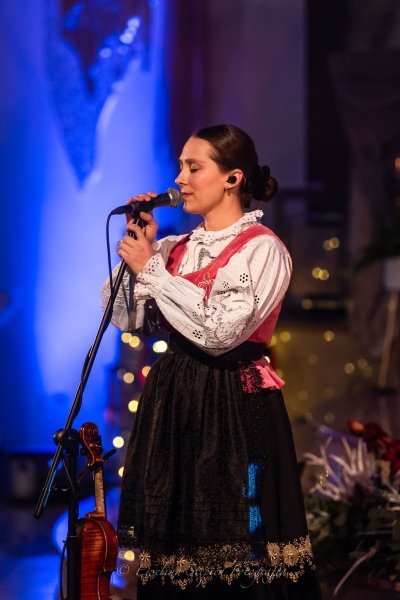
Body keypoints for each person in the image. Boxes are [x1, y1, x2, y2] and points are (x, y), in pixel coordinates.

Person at [101, 124, 321, 599]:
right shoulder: (175, 249)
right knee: (174, 533)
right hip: (175, 399)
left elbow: (221, 333)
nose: (180, 178)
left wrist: (153, 271)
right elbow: (125, 317)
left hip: (232, 403)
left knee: (235, 532)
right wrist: (139, 250)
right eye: (180, 166)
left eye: (193, 167)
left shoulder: (261, 248)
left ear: (232, 178)